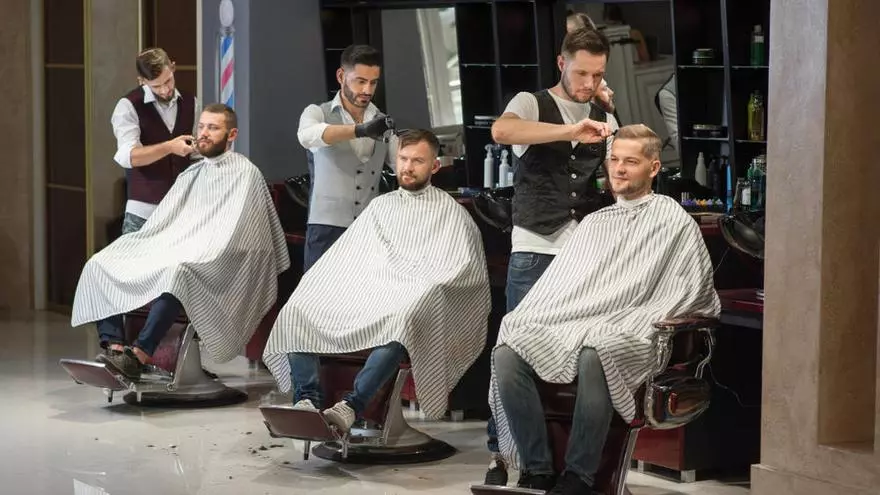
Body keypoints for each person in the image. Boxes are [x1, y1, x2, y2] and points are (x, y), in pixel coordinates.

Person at [488, 124, 720, 493]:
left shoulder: (672, 219)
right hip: (579, 323)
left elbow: (691, 289)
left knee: (598, 347)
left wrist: (631, 317)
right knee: (509, 347)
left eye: (631, 161)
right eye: (614, 160)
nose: (619, 169)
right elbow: (563, 287)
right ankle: (537, 470)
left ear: (654, 168)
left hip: (638, 332)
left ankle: (579, 476)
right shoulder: (594, 223)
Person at [262, 129, 490, 432]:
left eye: (418, 161)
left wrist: (420, 289)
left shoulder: (452, 214)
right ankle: (307, 401)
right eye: (403, 159)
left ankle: (351, 407)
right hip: (369, 293)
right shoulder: (381, 206)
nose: (408, 167)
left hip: (410, 301)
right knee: (297, 309)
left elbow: (461, 269)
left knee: (399, 321)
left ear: (435, 166)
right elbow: (347, 257)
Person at [484, 26, 619, 485]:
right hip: (536, 248)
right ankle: (502, 457)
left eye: (597, 74)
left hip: (583, 258)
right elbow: (502, 130)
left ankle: (561, 467)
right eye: (581, 73)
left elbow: (619, 169)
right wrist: (571, 129)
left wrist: (610, 117)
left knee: (573, 359)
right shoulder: (531, 102)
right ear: (562, 63)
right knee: (512, 353)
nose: (588, 83)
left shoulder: (603, 113)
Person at [71, 104, 290, 380]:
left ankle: (139, 355)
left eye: (213, 128)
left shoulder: (246, 174)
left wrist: (200, 250)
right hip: (178, 249)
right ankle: (116, 350)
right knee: (102, 263)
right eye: (202, 126)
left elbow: (245, 233)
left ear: (232, 134)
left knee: (177, 273)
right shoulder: (192, 174)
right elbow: (165, 222)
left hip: (217, 261)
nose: (204, 133)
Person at [297, 44, 397, 272]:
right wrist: (360, 130)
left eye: (373, 82)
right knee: (319, 291)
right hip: (326, 228)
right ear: (341, 76)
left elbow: (399, 164)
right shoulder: (317, 112)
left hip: (369, 227)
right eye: (360, 81)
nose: (367, 90)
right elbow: (307, 136)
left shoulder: (382, 121)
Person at [111, 47, 201, 236]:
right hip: (143, 215)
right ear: (142, 81)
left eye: (168, 81)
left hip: (183, 212)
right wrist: (170, 147)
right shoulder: (128, 107)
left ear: (173, 67)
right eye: (156, 86)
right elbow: (131, 157)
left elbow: (196, 156)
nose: (165, 90)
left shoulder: (191, 103)